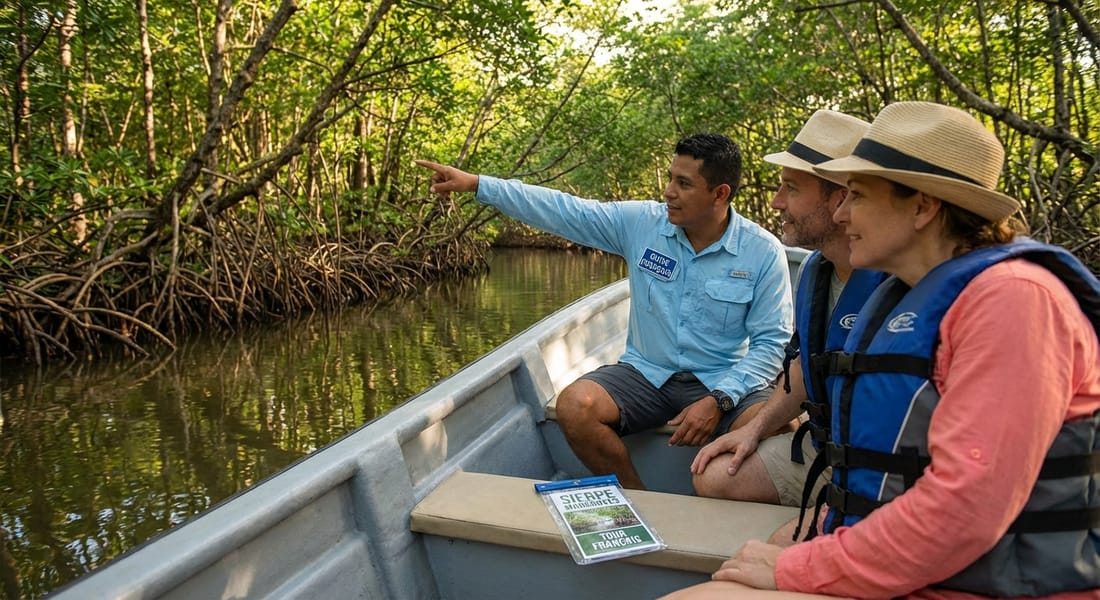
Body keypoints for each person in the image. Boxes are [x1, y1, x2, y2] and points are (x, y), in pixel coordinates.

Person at [664, 101, 1100, 598]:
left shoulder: (1015, 302)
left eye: (859, 196)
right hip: (916, 566)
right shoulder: (905, 295)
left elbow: (965, 510)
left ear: (922, 206)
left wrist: (802, 567)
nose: (843, 213)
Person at [415, 133, 794, 490]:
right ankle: (638, 499)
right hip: (647, 374)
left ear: (720, 193)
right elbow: (564, 211)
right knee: (575, 406)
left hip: (723, 377)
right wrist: (480, 185)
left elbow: (770, 344)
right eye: (670, 178)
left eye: (684, 183)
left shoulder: (761, 251)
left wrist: (720, 399)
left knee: (779, 427)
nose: (669, 192)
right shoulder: (642, 223)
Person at [690, 110, 881, 515]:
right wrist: (754, 430)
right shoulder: (816, 269)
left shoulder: (900, 280)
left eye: (791, 189)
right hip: (826, 447)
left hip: (881, 467)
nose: (776, 203)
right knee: (714, 473)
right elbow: (807, 366)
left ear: (841, 199)